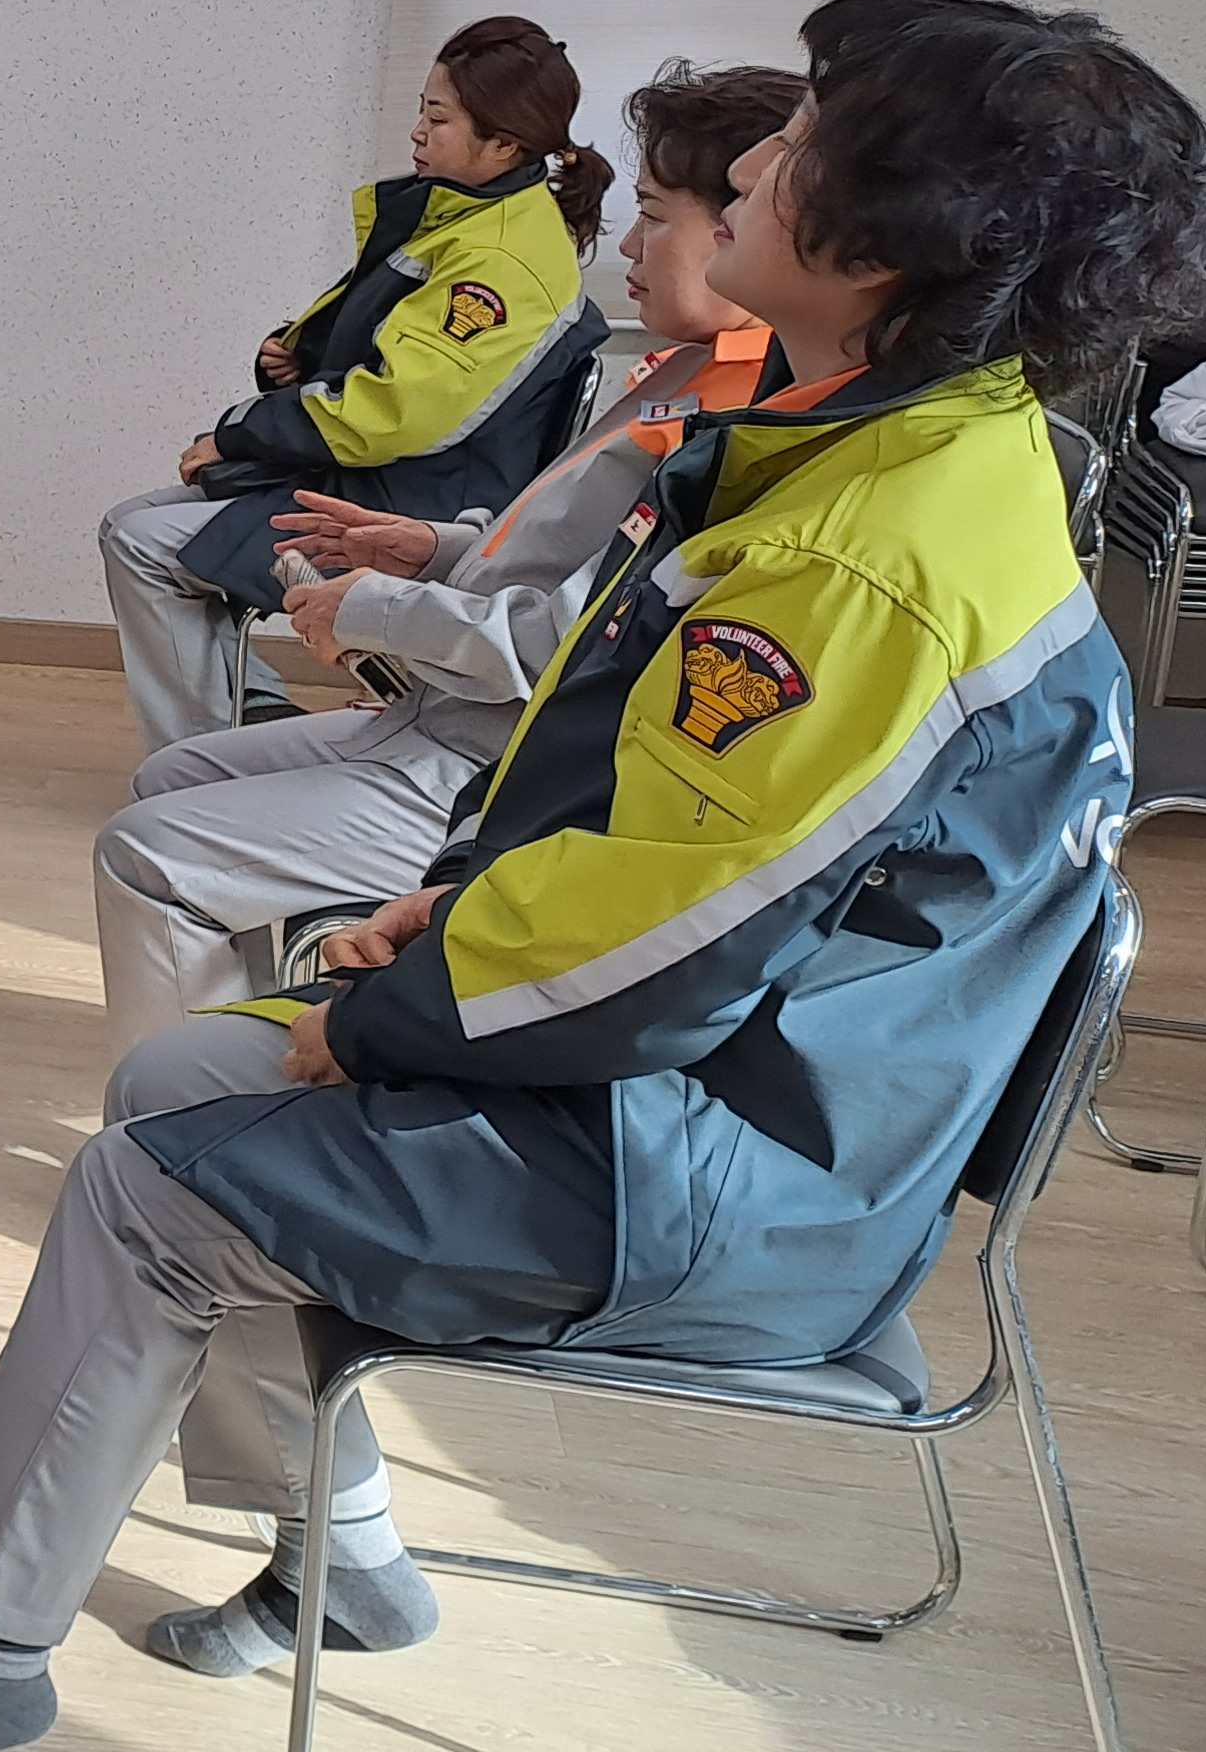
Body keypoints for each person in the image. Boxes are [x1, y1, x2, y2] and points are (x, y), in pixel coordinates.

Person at [0, 0, 1206, 1752]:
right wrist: (447, 918)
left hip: (732, 1178)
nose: (757, 164)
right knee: (177, 1080)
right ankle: (344, 1559)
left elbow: (671, 948)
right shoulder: (909, 454)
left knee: (159, 1182)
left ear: (895, 243)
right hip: (754, 1099)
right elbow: (692, 842)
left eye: (802, 141)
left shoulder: (863, 556)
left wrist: (383, 1020)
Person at [91, 63, 800, 1051]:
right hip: (452, 707)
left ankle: (197, 1097)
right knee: (173, 778)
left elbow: (565, 632)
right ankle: (239, 1040)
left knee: (148, 848)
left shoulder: (728, 418)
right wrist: (435, 549)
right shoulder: (683, 370)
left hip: (495, 767)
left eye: (652, 217)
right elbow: (572, 551)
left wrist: (368, 606)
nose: (629, 246)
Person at [101, 18, 612, 755]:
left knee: (144, 545)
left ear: (504, 145)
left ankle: (202, 760)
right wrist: (300, 355)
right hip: (381, 473)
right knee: (131, 525)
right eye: (422, 110)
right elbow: (392, 346)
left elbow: (394, 412)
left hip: (414, 505)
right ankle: (249, 718)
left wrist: (237, 434)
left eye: (438, 118)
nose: (417, 132)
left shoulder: (500, 259)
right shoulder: (463, 213)